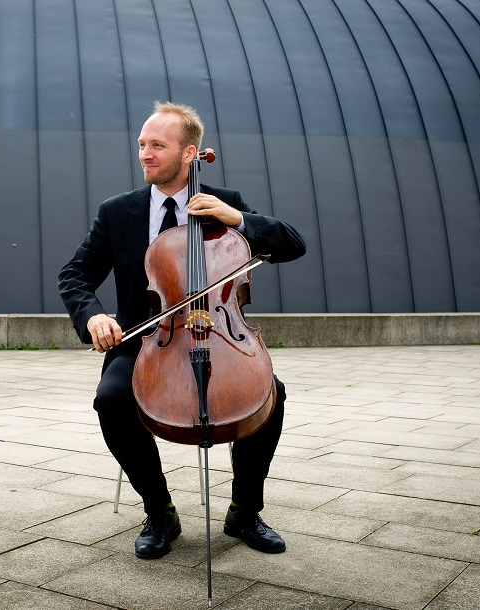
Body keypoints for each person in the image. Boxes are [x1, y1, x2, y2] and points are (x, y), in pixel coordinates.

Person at [58, 101, 306, 559]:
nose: (145, 154)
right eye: (141, 145)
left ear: (189, 154)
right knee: (111, 398)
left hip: (221, 332)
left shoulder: (221, 202)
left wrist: (239, 219)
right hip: (147, 339)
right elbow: (74, 274)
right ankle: (160, 511)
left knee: (271, 393)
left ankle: (245, 511)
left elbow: (294, 244)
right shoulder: (118, 212)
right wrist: (93, 315)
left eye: (157, 145)